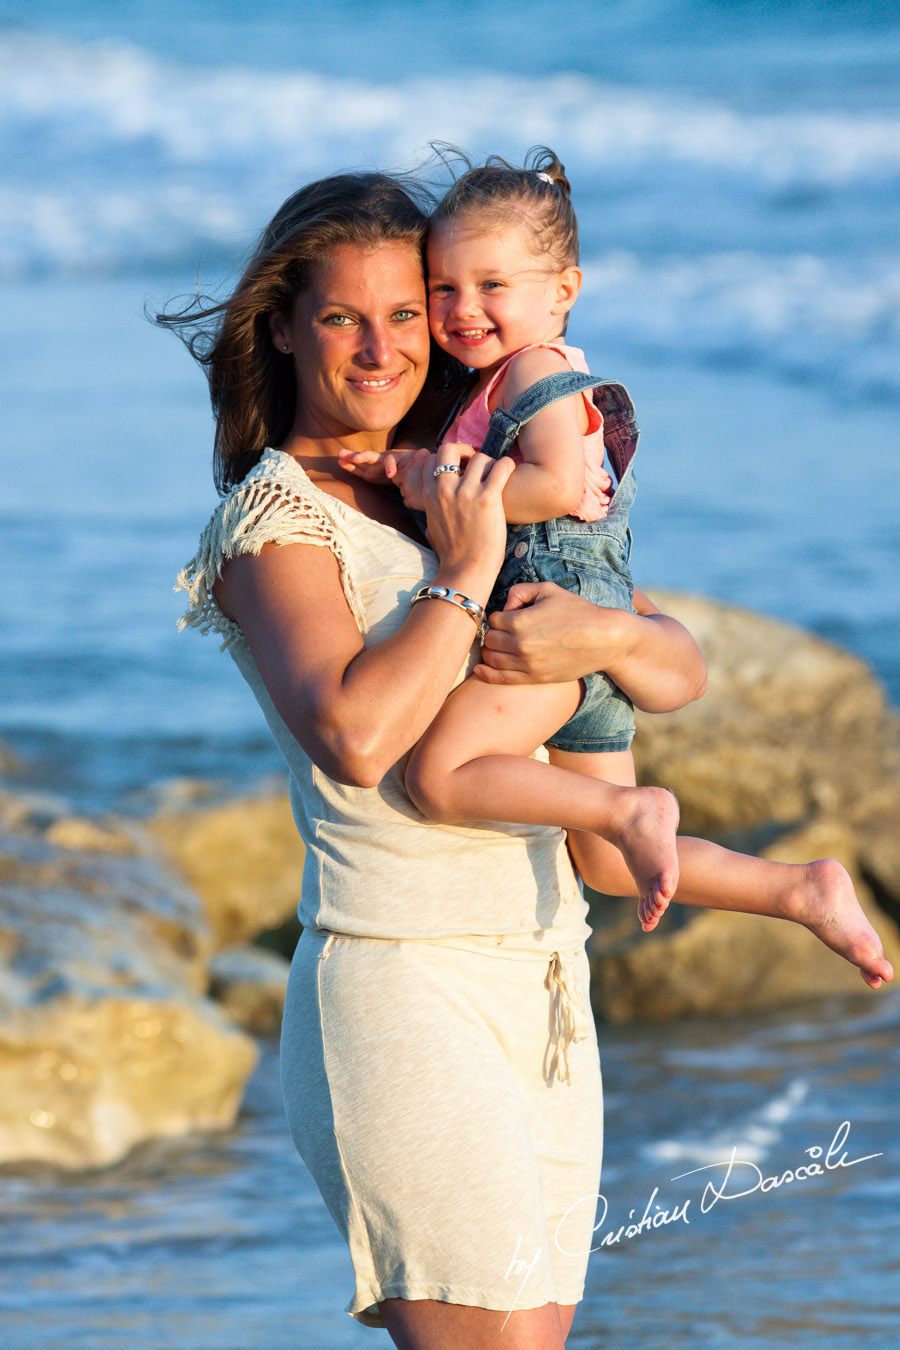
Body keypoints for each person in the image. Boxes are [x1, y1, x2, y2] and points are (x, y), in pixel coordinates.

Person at [165, 169, 891, 1348]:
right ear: (285, 327)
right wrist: (464, 568)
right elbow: (357, 738)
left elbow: (676, 666)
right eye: (343, 317)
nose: (380, 348)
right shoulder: (277, 516)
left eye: (407, 313)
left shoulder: (468, 471)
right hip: (401, 979)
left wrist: (600, 632)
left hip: (548, 976)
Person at [341, 148, 898, 958]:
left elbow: (558, 486)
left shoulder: (536, 369)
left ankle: (634, 814)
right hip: (579, 627)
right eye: (444, 288)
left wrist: (437, 483)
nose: (463, 308)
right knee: (605, 866)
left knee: (437, 775)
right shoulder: (486, 383)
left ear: (562, 290)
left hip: (548, 619)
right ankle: (796, 889)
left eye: (493, 285)